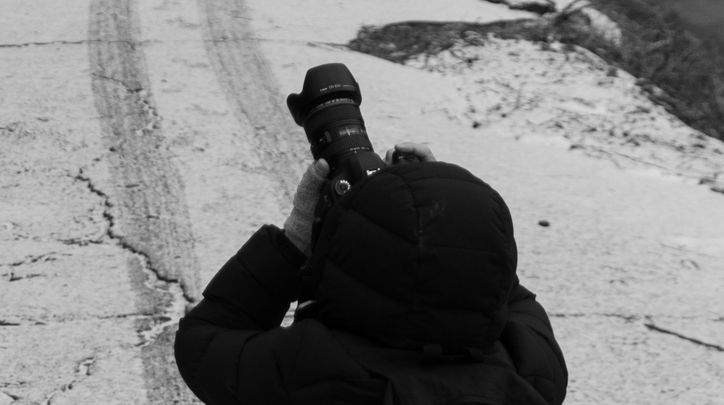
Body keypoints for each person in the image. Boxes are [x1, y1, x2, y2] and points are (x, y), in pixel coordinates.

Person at [174, 150, 567, 405]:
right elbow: (498, 285)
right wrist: (447, 212)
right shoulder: (532, 369)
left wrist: (296, 236)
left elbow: (203, 341)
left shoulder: (313, 367)